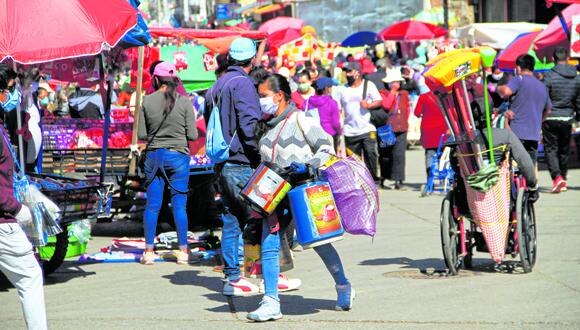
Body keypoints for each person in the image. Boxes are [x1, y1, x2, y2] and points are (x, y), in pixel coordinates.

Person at [252, 73, 355, 321]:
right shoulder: (265, 125)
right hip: (275, 195)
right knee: (269, 241)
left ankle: (343, 285)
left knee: (318, 243)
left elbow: (326, 147)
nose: (260, 101)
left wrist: (308, 166)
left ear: (279, 95)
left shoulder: (301, 119)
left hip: (304, 191)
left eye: (263, 96)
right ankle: (271, 300)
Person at [204, 38, 274, 306]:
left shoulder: (217, 84)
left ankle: (233, 278)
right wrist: (262, 156)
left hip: (221, 162)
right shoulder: (242, 83)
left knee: (232, 219)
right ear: (252, 60)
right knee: (260, 219)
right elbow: (249, 125)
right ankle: (267, 276)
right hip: (241, 161)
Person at [0, 63, 48, 330]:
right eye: (8, 90)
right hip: (3, 223)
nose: (13, 95)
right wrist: (18, 209)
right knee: (29, 277)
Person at [137, 62, 198, 265]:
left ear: (155, 79)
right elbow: (193, 134)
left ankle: (148, 251)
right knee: (180, 206)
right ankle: (182, 251)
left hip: (154, 157)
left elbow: (142, 135)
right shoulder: (185, 102)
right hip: (178, 157)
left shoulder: (146, 101)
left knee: (152, 206)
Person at [497, 54, 551, 164]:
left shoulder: (519, 79)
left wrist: (498, 88)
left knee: (515, 167)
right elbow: (548, 110)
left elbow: (506, 92)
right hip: (534, 134)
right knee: (530, 168)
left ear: (518, 68)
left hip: (516, 133)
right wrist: (538, 121)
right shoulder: (542, 86)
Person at [541, 47, 580, 193]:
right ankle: (562, 177)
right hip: (567, 117)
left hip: (550, 117)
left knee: (551, 149)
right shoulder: (577, 77)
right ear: (568, 58)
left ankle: (557, 177)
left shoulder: (549, 76)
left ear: (553, 59)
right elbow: (579, 100)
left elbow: (543, 98)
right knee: (564, 149)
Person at [338, 61, 382, 183]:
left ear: (357, 73)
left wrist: (369, 104)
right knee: (353, 160)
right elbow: (338, 109)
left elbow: (379, 100)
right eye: (346, 71)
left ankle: (372, 179)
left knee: (371, 153)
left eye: (349, 71)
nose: (347, 74)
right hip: (350, 131)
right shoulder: (342, 89)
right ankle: (358, 181)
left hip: (367, 128)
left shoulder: (369, 85)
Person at [378, 69, 410, 190]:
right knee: (386, 155)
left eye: (397, 82)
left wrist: (406, 122)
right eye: (393, 82)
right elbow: (386, 105)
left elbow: (407, 109)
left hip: (401, 127)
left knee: (399, 155)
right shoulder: (383, 93)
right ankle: (382, 179)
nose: (396, 84)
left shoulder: (404, 94)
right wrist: (392, 92)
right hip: (387, 128)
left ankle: (398, 181)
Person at [414, 90, 448, 180]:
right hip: (444, 129)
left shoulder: (424, 97)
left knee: (430, 154)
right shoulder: (446, 96)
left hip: (428, 130)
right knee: (444, 154)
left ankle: (430, 177)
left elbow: (417, 113)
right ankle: (444, 177)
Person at [306, 77, 342, 151]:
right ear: (327, 89)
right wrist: (339, 132)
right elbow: (336, 123)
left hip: (313, 136)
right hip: (330, 136)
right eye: (331, 87)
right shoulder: (332, 103)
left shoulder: (307, 102)